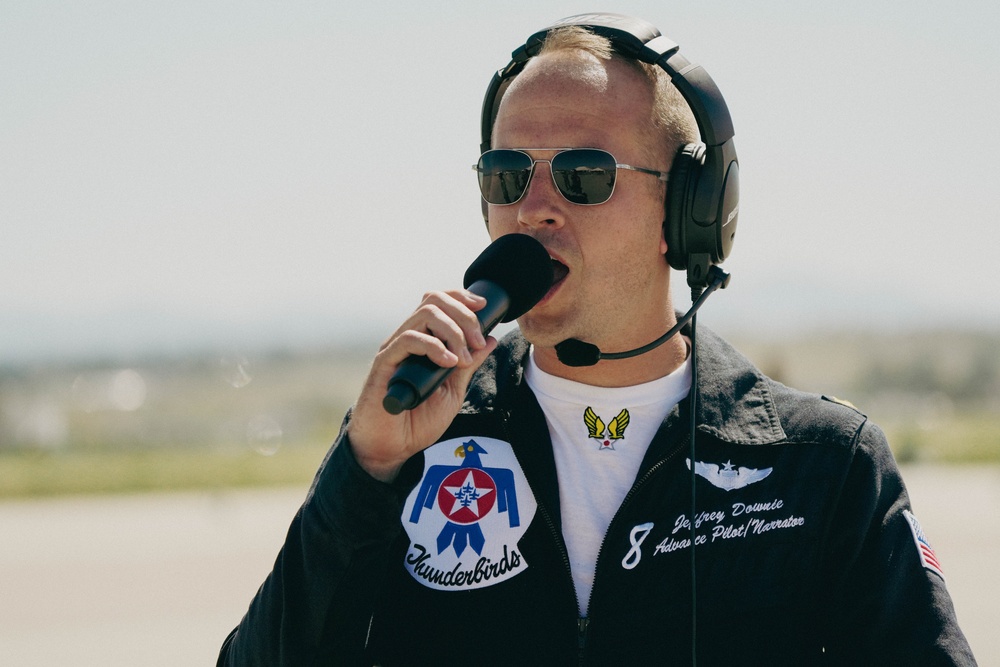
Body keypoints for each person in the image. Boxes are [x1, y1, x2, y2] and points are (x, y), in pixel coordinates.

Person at [218, 14, 976, 666]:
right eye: (507, 174)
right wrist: (366, 469)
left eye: (584, 174)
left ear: (686, 211)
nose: (534, 207)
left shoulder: (823, 469)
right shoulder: (409, 444)